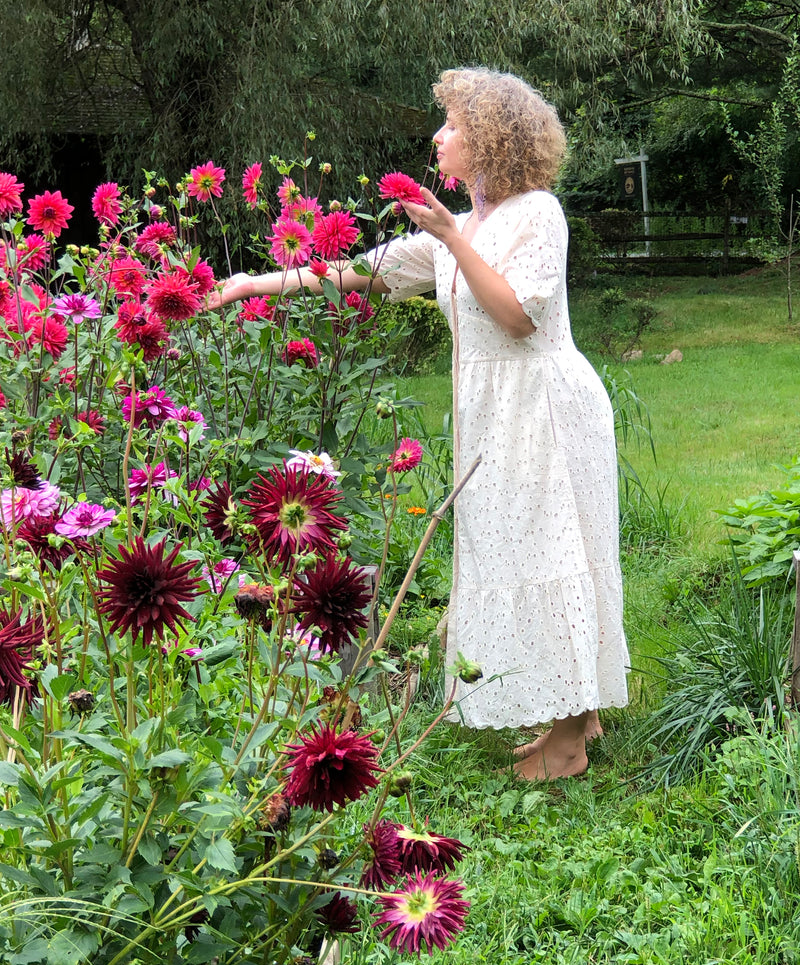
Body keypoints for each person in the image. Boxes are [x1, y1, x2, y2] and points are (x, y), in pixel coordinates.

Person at [208, 67, 629, 780]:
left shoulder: (538, 213)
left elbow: (519, 315)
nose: (440, 138)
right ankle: (575, 708)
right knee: (523, 546)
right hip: (496, 414)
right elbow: (354, 272)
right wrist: (253, 284)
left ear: (491, 143)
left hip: (546, 409)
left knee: (553, 547)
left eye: (454, 127)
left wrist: (447, 236)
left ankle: (567, 743)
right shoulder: (459, 228)